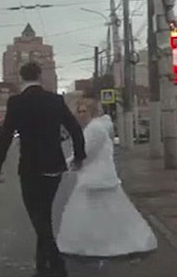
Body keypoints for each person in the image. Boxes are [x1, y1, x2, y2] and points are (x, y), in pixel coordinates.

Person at [0, 62, 86, 277]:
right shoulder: (55, 100)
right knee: (43, 215)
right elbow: (74, 128)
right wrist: (79, 156)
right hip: (54, 166)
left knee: (38, 218)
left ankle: (57, 265)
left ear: (21, 78)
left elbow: (5, 136)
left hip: (30, 168)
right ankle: (42, 267)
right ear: (40, 76)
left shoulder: (16, 102)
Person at [56, 98, 157, 257]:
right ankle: (100, 241)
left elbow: (86, 152)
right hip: (98, 175)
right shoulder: (95, 127)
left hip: (96, 176)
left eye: (84, 111)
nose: (81, 115)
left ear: (93, 112)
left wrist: (66, 163)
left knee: (95, 211)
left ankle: (100, 243)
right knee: (106, 211)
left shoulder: (94, 128)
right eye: (79, 111)